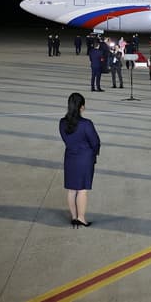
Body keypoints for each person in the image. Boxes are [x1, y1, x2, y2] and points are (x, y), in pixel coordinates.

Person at [59, 93, 101, 228]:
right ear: (81, 107)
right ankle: (81, 217)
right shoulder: (86, 124)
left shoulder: (62, 122)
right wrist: (93, 154)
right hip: (85, 159)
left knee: (72, 189)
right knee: (82, 190)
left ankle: (74, 216)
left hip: (70, 157)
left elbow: (66, 139)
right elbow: (95, 142)